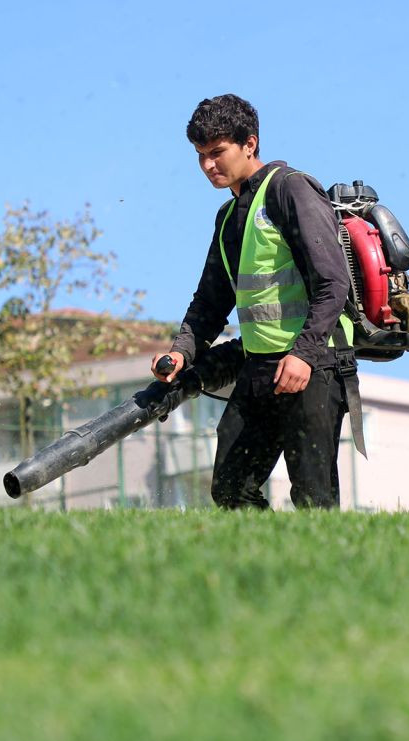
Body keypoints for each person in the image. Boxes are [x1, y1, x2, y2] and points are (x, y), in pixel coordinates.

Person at [151, 94, 357, 509]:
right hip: (260, 368)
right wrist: (180, 353)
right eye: (200, 155)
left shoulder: (291, 189)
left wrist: (304, 354)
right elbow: (210, 303)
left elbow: (333, 283)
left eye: (217, 152)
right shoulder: (228, 218)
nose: (208, 165)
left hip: (314, 365)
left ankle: (329, 571)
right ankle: (265, 571)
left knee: (315, 500)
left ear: (250, 144)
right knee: (231, 489)